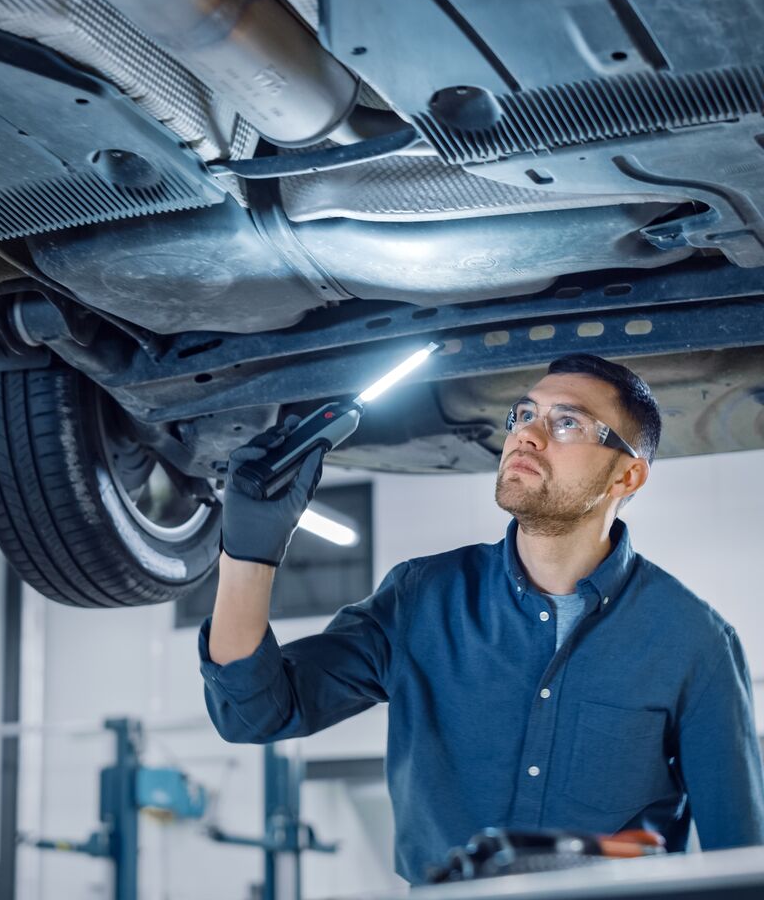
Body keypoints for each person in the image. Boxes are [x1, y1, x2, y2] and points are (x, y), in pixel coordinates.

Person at [198, 353, 764, 884]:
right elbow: (256, 714)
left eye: (566, 423)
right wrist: (249, 553)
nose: (527, 433)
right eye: (524, 413)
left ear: (626, 477)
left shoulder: (694, 642)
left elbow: (739, 856)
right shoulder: (421, 599)